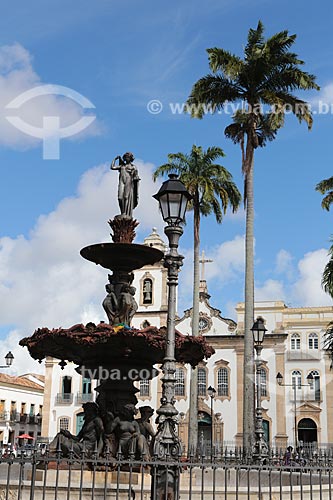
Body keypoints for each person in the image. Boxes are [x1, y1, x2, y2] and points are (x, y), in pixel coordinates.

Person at [110, 152, 140, 218]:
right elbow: (112, 167)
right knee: (120, 197)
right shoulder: (122, 166)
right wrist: (115, 159)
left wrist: (136, 179)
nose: (126, 158)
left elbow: (136, 177)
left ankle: (125, 213)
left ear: (131, 158)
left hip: (128, 180)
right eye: (125, 157)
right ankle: (122, 212)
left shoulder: (133, 167)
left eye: (128, 157)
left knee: (126, 197)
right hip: (121, 181)